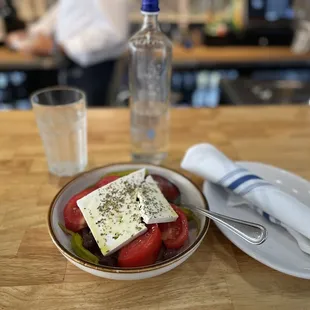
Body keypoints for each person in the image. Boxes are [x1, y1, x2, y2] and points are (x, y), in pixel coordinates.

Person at [7, 0, 129, 106]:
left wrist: (61, 46)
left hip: (95, 68)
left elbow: (114, 33)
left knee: (88, 122)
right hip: (72, 62)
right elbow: (66, 8)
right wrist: (33, 32)